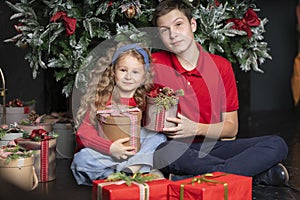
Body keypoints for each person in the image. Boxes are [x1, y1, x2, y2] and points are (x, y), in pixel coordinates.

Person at [151, 0, 289, 186]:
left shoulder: (220, 67)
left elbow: (231, 129)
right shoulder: (155, 64)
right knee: (164, 151)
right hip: (177, 150)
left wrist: (195, 128)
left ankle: (191, 179)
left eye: (178, 25)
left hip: (214, 148)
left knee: (276, 144)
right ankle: (253, 176)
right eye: (164, 30)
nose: (173, 34)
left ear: (193, 24)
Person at [70, 42, 166, 186]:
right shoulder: (101, 98)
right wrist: (110, 148)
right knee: (82, 159)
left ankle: (128, 171)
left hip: (136, 154)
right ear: (113, 71)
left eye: (135, 72)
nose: (128, 77)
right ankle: (130, 175)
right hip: (108, 155)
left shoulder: (146, 99)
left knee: (158, 137)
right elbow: (83, 133)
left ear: (144, 76)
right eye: (123, 70)